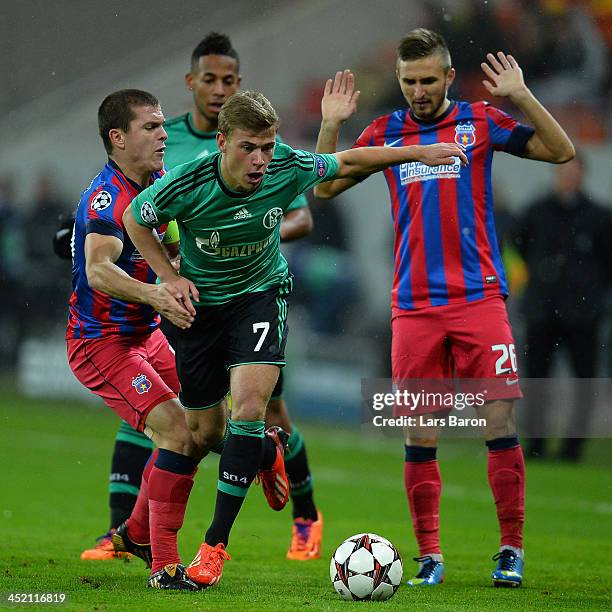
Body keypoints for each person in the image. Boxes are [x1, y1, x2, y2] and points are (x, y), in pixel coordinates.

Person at [122, 89, 467, 588]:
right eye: (249, 147)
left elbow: (348, 159)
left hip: (260, 297)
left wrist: (419, 152)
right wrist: (167, 278)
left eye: (267, 145)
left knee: (248, 410)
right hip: (199, 311)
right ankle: (266, 453)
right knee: (204, 434)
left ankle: (213, 547)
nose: (261, 159)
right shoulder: (189, 180)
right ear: (222, 143)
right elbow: (136, 219)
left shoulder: (287, 164)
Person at [313, 28, 574, 588]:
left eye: (428, 80)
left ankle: (510, 550)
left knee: (498, 422)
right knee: (419, 432)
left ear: (449, 77)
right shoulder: (386, 131)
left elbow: (562, 151)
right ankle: (429, 556)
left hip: (480, 300)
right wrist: (331, 125)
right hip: (415, 308)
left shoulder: (480, 121)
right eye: (409, 82)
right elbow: (325, 188)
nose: (418, 91)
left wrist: (523, 95)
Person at [80, 32, 321, 563]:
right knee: (189, 428)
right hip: (138, 327)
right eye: (208, 80)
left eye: (228, 81)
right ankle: (135, 538)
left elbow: (302, 205)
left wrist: (242, 232)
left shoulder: (257, 152)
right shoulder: (149, 176)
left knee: (238, 415)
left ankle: (300, 515)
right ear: (192, 83)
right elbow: (113, 248)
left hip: (228, 299)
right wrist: (163, 280)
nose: (162, 135)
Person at [514, 153, 612, 461]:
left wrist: (591, 289)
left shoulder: (598, 216)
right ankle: (536, 444)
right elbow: (518, 244)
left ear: (583, 175)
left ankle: (573, 448)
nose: (568, 178)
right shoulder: (536, 211)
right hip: (542, 309)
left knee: (584, 380)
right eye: (563, 172)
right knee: (536, 379)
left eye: (574, 172)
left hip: (582, 313)